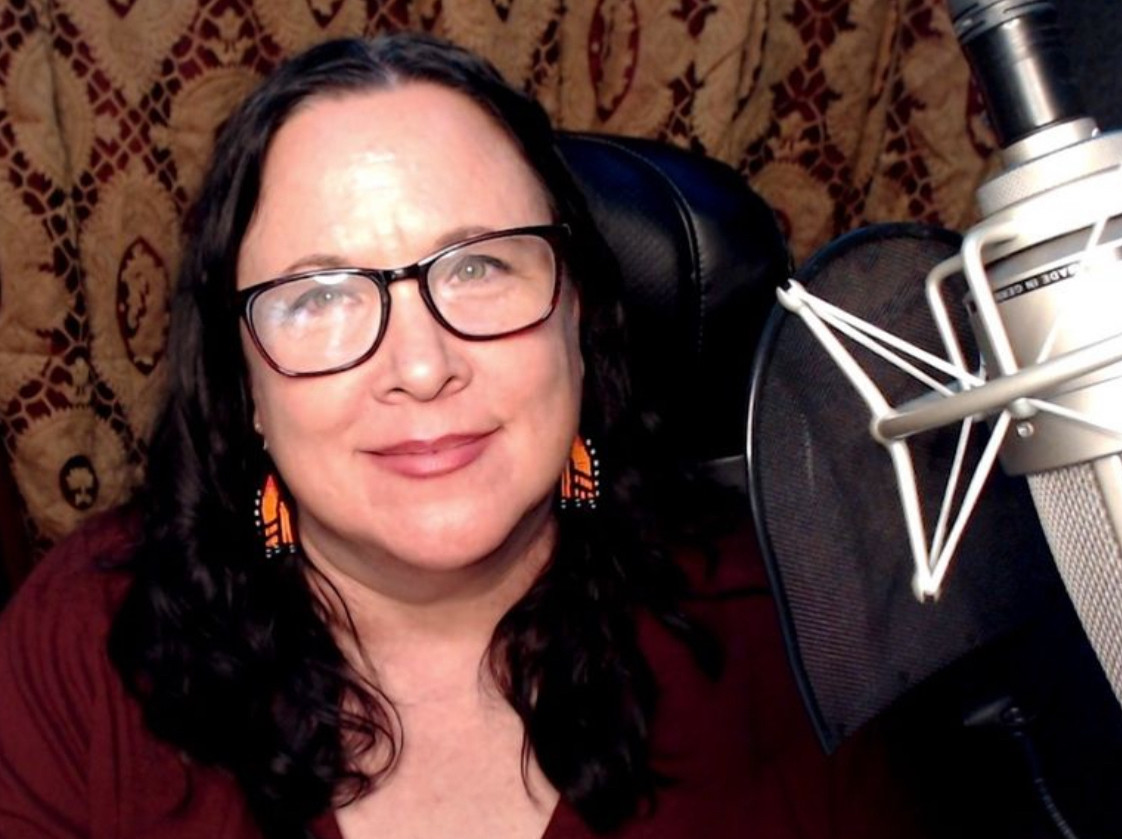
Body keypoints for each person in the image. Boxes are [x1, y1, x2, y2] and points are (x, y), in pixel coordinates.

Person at [0, 31, 914, 839]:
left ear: (580, 322)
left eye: (478, 265)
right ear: (243, 383)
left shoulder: (803, 625)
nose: (423, 364)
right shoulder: (84, 645)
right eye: (320, 295)